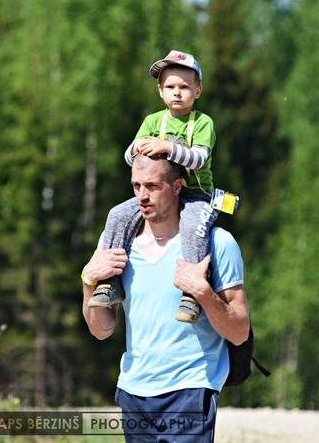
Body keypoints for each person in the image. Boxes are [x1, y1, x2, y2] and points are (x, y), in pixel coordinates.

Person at [81, 154, 250, 442]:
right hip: (134, 392)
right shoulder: (115, 245)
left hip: (191, 389)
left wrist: (203, 293)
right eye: (136, 186)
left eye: (152, 186)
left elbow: (239, 331)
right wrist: (88, 282)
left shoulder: (217, 243)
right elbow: (101, 330)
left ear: (177, 186)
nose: (142, 196)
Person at [88, 49, 239, 324]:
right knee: (117, 215)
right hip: (159, 191)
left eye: (184, 87)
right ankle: (109, 282)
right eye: (170, 86)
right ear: (160, 91)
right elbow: (130, 158)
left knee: (193, 227)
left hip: (196, 195)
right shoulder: (152, 121)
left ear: (198, 90)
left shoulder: (203, 123)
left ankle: (192, 294)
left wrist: (166, 147)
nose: (177, 93)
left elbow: (199, 158)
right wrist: (137, 148)